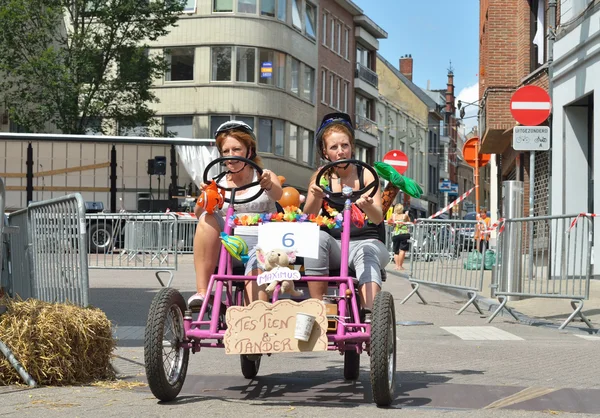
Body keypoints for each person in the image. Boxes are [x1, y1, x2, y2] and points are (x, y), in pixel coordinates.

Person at [189, 121, 283, 309]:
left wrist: (268, 185)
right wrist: (205, 197)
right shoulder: (216, 182)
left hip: (262, 246)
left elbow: (278, 195)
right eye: (226, 151)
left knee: (255, 301)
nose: (230, 157)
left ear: (249, 151)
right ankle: (203, 293)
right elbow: (197, 213)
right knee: (206, 218)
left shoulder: (264, 176)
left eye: (236, 150)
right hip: (228, 246)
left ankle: (255, 316)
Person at [303, 112, 389, 316]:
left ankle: (370, 316)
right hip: (334, 245)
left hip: (367, 241)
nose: (340, 152)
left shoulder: (366, 173)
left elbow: (377, 218)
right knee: (316, 238)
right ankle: (318, 308)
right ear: (325, 152)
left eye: (345, 146)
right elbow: (308, 218)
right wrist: (315, 197)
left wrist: (367, 205)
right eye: (334, 147)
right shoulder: (320, 176)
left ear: (352, 147)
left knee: (366, 253)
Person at [391, 203, 411, 270]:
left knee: (396, 251)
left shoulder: (393, 216)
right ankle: (400, 266)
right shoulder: (404, 216)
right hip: (404, 233)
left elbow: (390, 223)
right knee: (402, 250)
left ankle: (396, 266)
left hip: (396, 234)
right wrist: (407, 215)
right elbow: (409, 221)